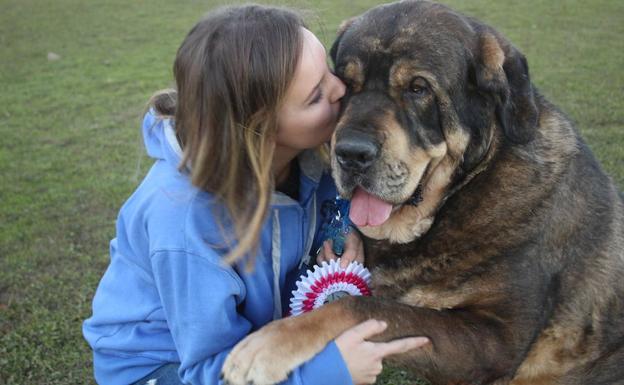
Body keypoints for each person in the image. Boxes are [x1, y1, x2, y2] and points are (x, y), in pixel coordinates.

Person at [83, 5, 428, 385]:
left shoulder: (307, 152)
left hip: (257, 335)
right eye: (315, 96)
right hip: (164, 370)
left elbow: (335, 199)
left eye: (328, 72)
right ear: (260, 130)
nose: (341, 89)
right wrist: (327, 372)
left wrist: (342, 225)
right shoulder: (183, 223)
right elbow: (208, 369)